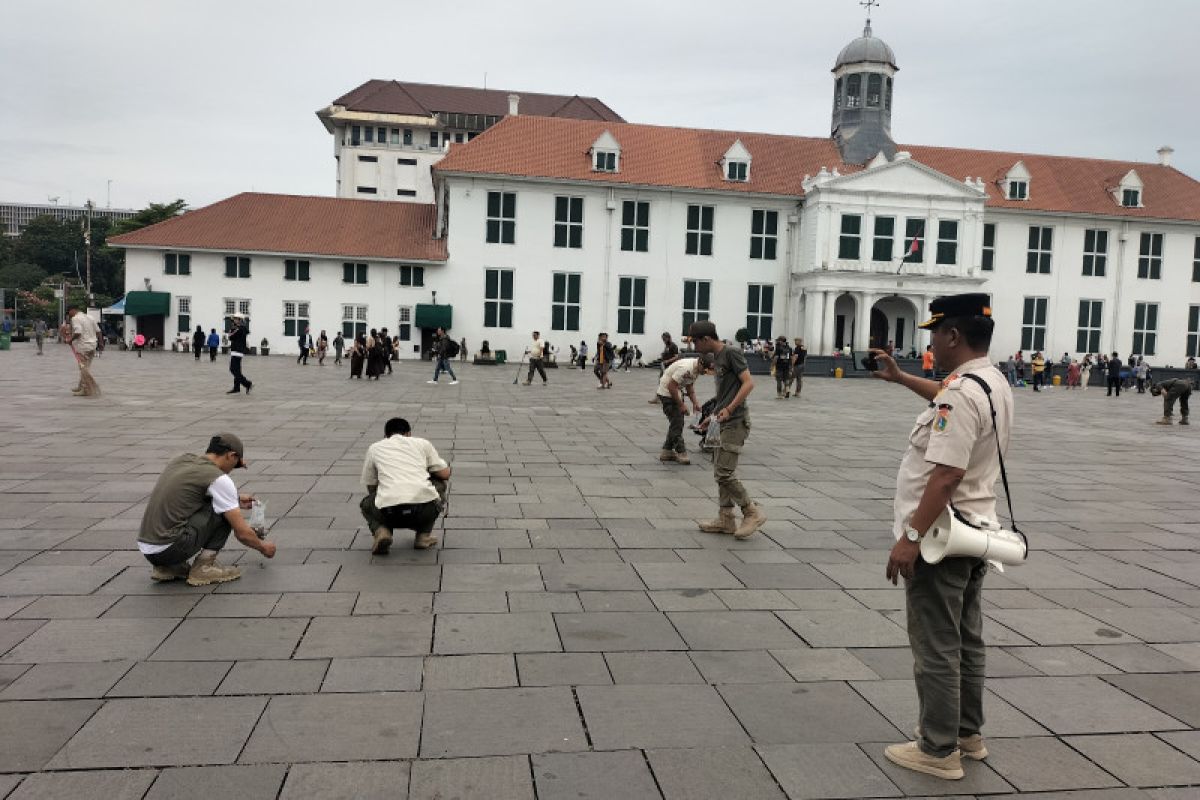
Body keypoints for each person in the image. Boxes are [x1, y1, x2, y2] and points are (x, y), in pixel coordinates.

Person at [870, 293, 1012, 781]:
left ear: (952, 335)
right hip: (976, 532)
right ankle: (968, 735)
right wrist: (902, 378)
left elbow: (946, 474)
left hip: (941, 539)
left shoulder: (960, 392)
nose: (931, 339)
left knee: (936, 645)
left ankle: (937, 750)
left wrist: (910, 536)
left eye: (935, 332)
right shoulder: (990, 381)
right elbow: (949, 400)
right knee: (967, 640)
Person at [136, 433, 276, 586]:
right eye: (236, 464)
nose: (232, 470)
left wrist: (235, 499)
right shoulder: (219, 478)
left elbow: (190, 495)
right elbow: (242, 533)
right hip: (171, 547)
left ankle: (168, 568)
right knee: (225, 512)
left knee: (221, 504)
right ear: (231, 455)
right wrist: (263, 547)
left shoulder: (181, 461)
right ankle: (204, 567)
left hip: (148, 549)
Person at [689, 320, 765, 539]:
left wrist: (730, 410)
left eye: (695, 342)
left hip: (736, 422)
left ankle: (751, 512)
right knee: (719, 471)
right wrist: (711, 418)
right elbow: (725, 394)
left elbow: (748, 383)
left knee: (724, 472)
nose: (694, 347)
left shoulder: (731, 353)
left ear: (706, 339)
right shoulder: (717, 358)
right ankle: (726, 518)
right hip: (722, 421)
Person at [360, 417, 452, 553]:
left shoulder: (375, 448)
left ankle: (382, 531)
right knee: (438, 484)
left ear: (386, 436)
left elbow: (370, 485)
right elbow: (445, 474)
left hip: (388, 513)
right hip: (423, 510)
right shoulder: (422, 443)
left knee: (366, 504)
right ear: (409, 433)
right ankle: (423, 536)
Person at [657, 353, 713, 464]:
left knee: (676, 422)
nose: (705, 373)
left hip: (676, 393)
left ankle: (667, 451)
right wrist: (681, 405)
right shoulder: (686, 368)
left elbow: (689, 385)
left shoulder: (696, 369)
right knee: (678, 423)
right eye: (705, 370)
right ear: (701, 363)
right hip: (667, 394)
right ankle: (681, 451)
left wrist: (695, 403)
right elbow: (671, 386)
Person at [65, 306, 102, 397]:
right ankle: (81, 386)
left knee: (83, 368)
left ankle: (87, 389)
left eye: (68, 313)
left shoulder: (75, 318)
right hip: (92, 346)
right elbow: (98, 331)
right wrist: (101, 343)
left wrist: (70, 340)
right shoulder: (90, 317)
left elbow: (78, 332)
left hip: (82, 347)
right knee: (86, 367)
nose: (68, 315)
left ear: (72, 310)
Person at [226, 316, 253, 394]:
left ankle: (247, 384)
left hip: (237, 351)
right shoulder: (241, 328)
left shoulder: (239, 329)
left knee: (233, 369)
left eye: (235, 319)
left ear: (239, 320)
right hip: (238, 351)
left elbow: (230, 337)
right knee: (237, 370)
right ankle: (236, 387)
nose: (234, 320)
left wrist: (232, 330)